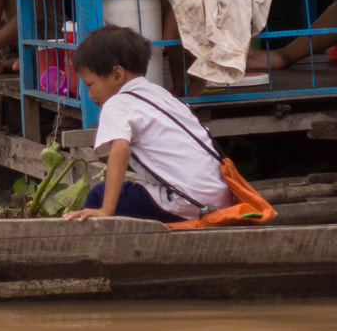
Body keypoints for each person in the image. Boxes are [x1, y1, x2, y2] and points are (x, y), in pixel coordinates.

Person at [63, 24, 234, 222]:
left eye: (90, 85)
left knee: (98, 196)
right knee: (131, 190)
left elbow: (121, 148)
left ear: (117, 75)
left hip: (191, 204)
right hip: (222, 198)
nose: (90, 95)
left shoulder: (117, 103)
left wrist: (106, 211)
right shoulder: (161, 95)